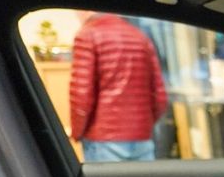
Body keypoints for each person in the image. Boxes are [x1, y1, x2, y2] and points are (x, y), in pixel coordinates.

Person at [70, 12, 167, 162]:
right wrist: (144, 125)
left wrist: (76, 132)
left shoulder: (87, 35)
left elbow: (81, 94)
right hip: (142, 137)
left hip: (103, 138)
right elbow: (160, 96)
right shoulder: (139, 36)